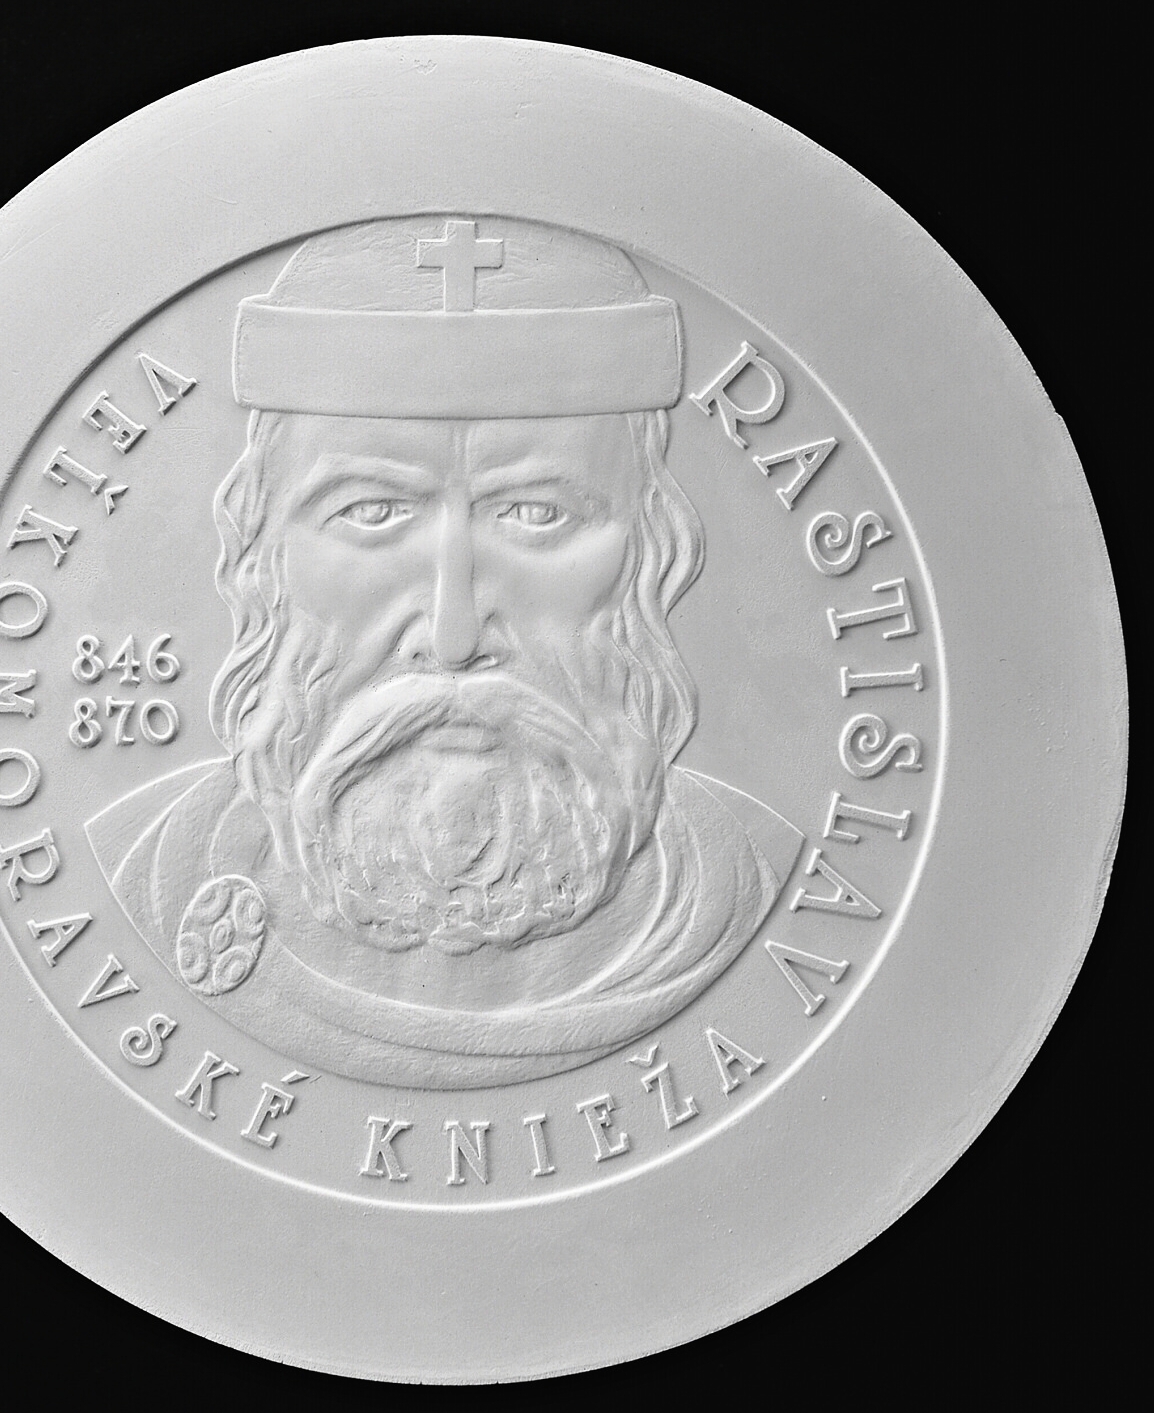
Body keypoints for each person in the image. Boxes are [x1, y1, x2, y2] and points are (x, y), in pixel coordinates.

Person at [87, 216, 802, 1088]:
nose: (453, 635)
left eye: (537, 515)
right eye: (370, 513)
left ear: (649, 553)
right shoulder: (133, 874)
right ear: (262, 559)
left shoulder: (758, 881)